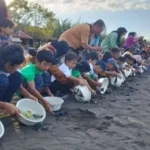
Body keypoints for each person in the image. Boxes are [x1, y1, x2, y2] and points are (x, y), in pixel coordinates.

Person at [0, 44, 37, 116]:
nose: (15, 68)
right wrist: (4, 105)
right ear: (2, 60)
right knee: (3, 81)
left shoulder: (15, 69)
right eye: (12, 65)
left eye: (17, 65)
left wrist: (29, 95)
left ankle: (4, 104)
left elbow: (19, 87)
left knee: (18, 76)